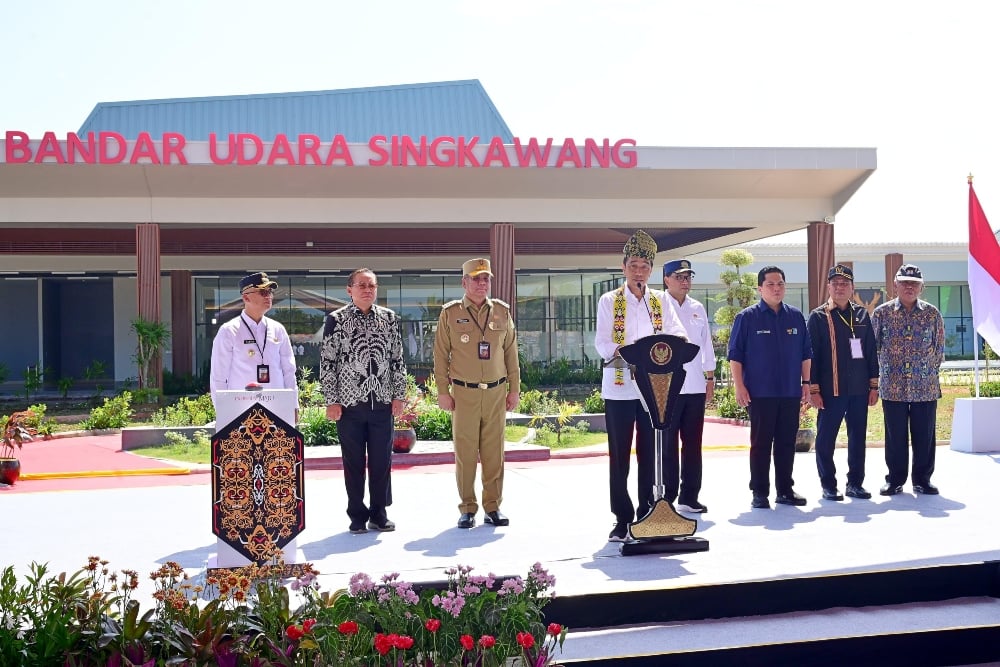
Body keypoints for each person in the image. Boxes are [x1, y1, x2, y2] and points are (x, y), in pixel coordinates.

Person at [595, 231, 687, 542]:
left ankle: (649, 511)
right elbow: (603, 343)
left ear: (651, 271)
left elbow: (678, 334)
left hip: (655, 391)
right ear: (623, 268)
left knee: (652, 453)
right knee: (619, 455)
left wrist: (670, 347)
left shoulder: (661, 300)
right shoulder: (610, 300)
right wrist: (630, 351)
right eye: (634, 265)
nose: (639, 272)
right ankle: (622, 518)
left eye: (645, 266)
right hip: (620, 389)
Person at [433, 258, 520, 529]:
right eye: (476, 278)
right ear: (464, 282)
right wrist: (442, 392)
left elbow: (511, 355)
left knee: (495, 453)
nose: (482, 284)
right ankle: (467, 508)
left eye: (486, 279)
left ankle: (493, 507)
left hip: (495, 392)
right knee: (466, 453)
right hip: (464, 394)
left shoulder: (502, 312)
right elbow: (440, 356)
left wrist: (514, 389)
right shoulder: (450, 313)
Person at [321, 268, 407, 534]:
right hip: (349, 405)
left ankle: (379, 514)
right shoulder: (336, 320)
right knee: (354, 462)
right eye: (362, 285)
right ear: (349, 290)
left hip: (382, 402)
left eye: (372, 285)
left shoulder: (389, 319)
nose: (367, 290)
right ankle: (357, 515)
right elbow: (327, 362)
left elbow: (397, 360)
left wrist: (399, 395)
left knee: (382, 461)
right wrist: (331, 400)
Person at [728, 265, 812, 509]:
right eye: (771, 284)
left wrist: (805, 384)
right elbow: (735, 356)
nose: (776, 289)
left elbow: (806, 354)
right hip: (760, 392)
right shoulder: (747, 317)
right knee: (761, 444)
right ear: (760, 288)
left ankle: (785, 490)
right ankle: (760, 492)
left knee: (787, 442)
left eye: (780, 284)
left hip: (789, 391)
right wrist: (739, 386)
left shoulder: (795, 316)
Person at [806, 264, 879, 501]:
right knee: (826, 439)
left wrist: (873, 385)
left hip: (858, 389)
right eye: (835, 283)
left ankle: (855, 484)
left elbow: (870, 350)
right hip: (830, 391)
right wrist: (813, 389)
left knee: (858, 438)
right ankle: (828, 485)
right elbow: (812, 355)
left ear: (852, 287)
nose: (840, 287)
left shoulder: (861, 314)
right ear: (828, 286)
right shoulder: (818, 317)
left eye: (845, 283)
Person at [871, 264, 945, 496]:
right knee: (895, 436)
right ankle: (895, 480)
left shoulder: (932, 314)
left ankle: (922, 479)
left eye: (914, 283)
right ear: (896, 285)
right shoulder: (881, 313)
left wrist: (927, 372)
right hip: (893, 386)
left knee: (925, 435)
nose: (909, 287)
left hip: (925, 387)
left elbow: (939, 348)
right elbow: (873, 348)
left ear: (921, 287)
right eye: (904, 282)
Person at [661, 259, 716, 514]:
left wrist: (710, 377)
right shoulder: (657, 306)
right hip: (668, 386)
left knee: (693, 443)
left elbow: (706, 344)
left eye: (688, 277)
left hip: (694, 385)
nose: (685, 281)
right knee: (668, 444)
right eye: (679, 276)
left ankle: (690, 495)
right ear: (666, 280)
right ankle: (668, 496)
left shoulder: (697, 307)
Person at [210, 272, 298, 411]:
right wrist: (222, 411)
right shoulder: (229, 331)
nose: (268, 296)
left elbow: (289, 371)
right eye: (262, 292)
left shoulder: (277, 329)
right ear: (246, 297)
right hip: (241, 410)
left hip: (277, 408)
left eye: (270, 292)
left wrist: (294, 406)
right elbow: (218, 377)